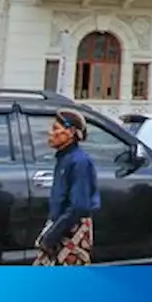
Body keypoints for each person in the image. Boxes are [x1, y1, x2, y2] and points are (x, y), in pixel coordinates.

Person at [35, 108, 100, 266]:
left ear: (70, 132)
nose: (50, 133)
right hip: (60, 226)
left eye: (55, 129)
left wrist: (52, 235)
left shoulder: (79, 162)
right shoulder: (64, 159)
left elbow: (78, 206)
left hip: (72, 229)